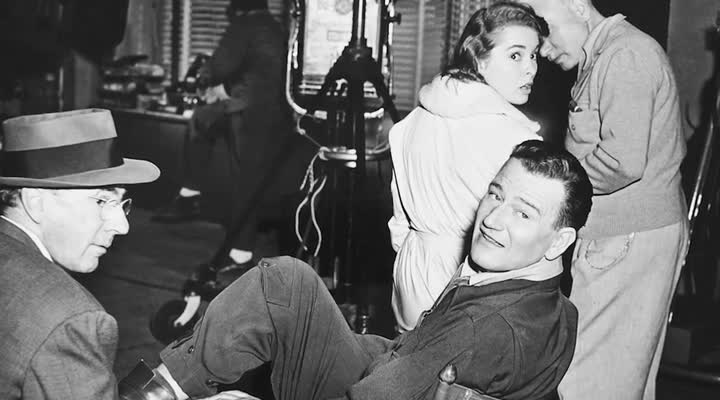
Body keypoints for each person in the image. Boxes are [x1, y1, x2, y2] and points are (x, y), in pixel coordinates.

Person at [120, 140, 593, 400]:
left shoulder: (487, 326)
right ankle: (167, 388)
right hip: (394, 374)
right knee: (289, 282)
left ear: (560, 240)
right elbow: (419, 363)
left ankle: (155, 393)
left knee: (278, 288)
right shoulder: (546, 301)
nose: (493, 219)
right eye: (496, 193)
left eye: (523, 212)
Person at [0, 109, 248, 400]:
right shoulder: (71, 319)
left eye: (122, 203)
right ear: (35, 202)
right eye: (102, 200)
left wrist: (160, 389)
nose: (123, 226)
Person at [519, 1, 689, 399]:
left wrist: (553, 189)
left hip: (627, 235)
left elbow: (622, 161)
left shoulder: (625, 55)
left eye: (544, 27)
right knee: (619, 378)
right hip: (623, 234)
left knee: (590, 382)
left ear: (577, 6)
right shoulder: (605, 55)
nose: (542, 48)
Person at [388, 1, 547, 331]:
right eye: (515, 55)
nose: (531, 69)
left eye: (533, 55)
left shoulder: (411, 122)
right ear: (479, 59)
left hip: (412, 274)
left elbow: (399, 223)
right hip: (471, 283)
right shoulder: (517, 140)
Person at [153, 0, 296, 272]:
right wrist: (226, 89)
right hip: (278, 114)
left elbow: (220, 65)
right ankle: (189, 196)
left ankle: (236, 252)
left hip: (249, 112)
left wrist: (207, 78)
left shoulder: (245, 24)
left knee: (243, 180)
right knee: (205, 122)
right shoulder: (276, 28)